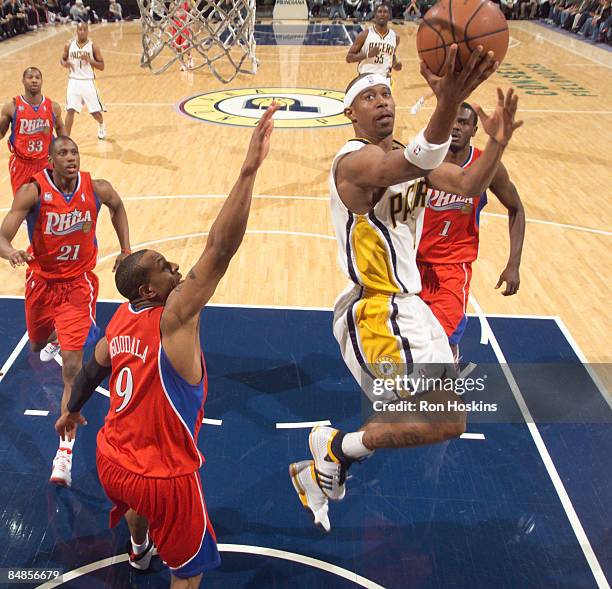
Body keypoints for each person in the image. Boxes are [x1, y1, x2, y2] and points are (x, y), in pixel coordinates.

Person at [289, 47, 523, 532]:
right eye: (369, 97)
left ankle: (331, 456)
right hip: (375, 311)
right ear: (350, 113)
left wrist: (496, 141)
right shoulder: (353, 161)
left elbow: (468, 183)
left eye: (387, 94)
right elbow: (415, 159)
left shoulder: (410, 158)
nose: (382, 102)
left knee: (451, 423)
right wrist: (450, 98)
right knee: (427, 422)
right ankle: (332, 451)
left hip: (409, 307)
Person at [54, 104, 280, 587]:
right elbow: (220, 249)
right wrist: (248, 170)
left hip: (111, 458)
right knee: (189, 573)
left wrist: (72, 409)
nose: (174, 266)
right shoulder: (176, 316)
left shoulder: (120, 319)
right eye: (162, 265)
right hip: (165, 476)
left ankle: (138, 548)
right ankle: (151, 550)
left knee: (136, 507)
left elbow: (93, 371)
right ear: (149, 291)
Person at [0, 136, 131, 487]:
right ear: (50, 160)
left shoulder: (97, 188)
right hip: (41, 284)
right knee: (37, 343)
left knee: (72, 367)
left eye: (74, 151)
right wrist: (10, 251)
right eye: (63, 153)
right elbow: (2, 234)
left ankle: (64, 453)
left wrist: (126, 249)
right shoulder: (32, 192)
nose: (71, 157)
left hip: (77, 285)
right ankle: (54, 336)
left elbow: (118, 206)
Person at [417, 102, 525, 361]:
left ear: (474, 129)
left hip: (453, 268)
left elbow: (516, 209)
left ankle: (444, 394)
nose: (456, 126)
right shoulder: (421, 159)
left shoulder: (487, 168)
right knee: (411, 341)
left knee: (442, 342)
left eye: (464, 122)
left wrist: (513, 264)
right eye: (452, 120)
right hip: (412, 264)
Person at [0, 67, 65, 196]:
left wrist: (65, 148)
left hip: (46, 163)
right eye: (30, 77)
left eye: (37, 77)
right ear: (23, 81)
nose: (34, 80)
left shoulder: (53, 107)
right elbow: (1, 133)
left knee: (48, 203)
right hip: (21, 164)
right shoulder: (11, 107)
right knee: (22, 205)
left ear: (42, 81)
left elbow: (60, 127)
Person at [61, 22, 106, 139]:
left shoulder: (93, 46)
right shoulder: (69, 45)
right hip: (74, 81)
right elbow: (62, 59)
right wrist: (65, 64)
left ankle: (101, 124)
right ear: (76, 31)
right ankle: (66, 139)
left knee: (94, 113)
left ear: (87, 31)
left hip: (88, 81)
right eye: (79, 29)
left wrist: (90, 60)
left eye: (84, 29)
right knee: (70, 110)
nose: (81, 32)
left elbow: (102, 66)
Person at [346, 4, 402, 78]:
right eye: (379, 12)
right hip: (365, 77)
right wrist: (367, 54)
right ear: (375, 15)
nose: (382, 14)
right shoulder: (364, 34)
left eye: (385, 12)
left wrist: (396, 65)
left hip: (384, 79)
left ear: (389, 15)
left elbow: (391, 57)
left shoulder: (395, 37)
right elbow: (349, 58)